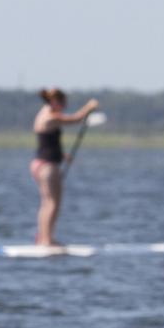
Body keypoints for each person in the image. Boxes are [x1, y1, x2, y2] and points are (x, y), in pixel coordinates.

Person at [30, 88, 100, 246]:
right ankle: (47, 240)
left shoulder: (43, 113)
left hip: (40, 163)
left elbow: (48, 141)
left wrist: (62, 155)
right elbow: (75, 119)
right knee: (53, 203)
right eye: (63, 102)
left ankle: (43, 238)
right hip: (47, 166)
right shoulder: (50, 116)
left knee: (46, 202)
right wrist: (89, 108)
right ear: (55, 101)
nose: (65, 105)